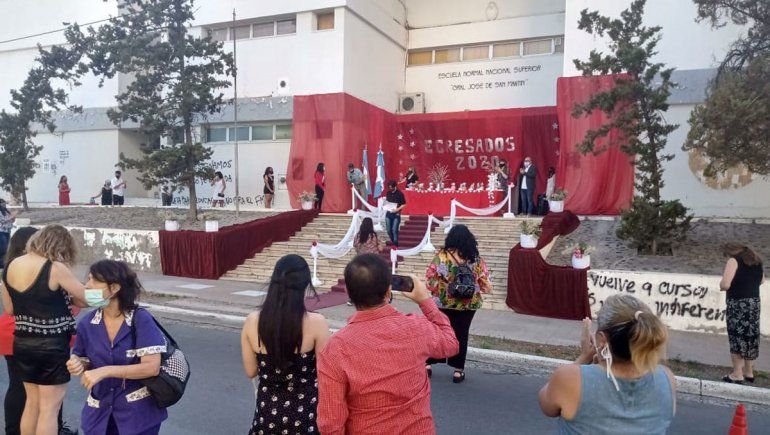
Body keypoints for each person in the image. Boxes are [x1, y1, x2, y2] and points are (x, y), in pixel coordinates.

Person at [317, 254, 459, 435]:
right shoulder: (416, 327)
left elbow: (331, 424)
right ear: (388, 292)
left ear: (350, 294)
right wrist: (425, 300)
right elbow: (451, 343)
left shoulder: (335, 349)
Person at [539, 294, 676, 434]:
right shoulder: (667, 378)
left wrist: (584, 357)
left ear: (602, 339)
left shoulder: (569, 378)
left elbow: (546, 406)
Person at [1, 225, 88, 435]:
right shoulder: (54, 267)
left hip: (22, 342)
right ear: (60, 245)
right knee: (49, 409)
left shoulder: (10, 267)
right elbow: (86, 298)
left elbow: (10, 310)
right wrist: (108, 295)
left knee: (31, 404)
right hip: (51, 346)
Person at [67, 260, 168, 435]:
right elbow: (83, 358)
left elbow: (151, 367)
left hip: (137, 416)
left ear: (114, 288)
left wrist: (105, 371)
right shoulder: (87, 323)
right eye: (88, 279)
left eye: (94, 281)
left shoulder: (140, 320)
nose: (87, 286)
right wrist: (78, 364)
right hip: (99, 414)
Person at [240, 254, 330, 435]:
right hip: (305, 416)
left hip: (267, 416)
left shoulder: (252, 321)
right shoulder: (317, 323)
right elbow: (325, 374)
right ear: (305, 285)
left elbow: (251, 372)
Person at [425, 225, 492, 383]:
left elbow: (430, 279)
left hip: (443, 302)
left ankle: (428, 364)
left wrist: (441, 289)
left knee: (438, 331)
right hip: (468, 304)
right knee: (461, 334)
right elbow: (485, 282)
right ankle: (458, 370)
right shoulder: (475, 258)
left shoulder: (442, 256)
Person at [719, 243, 764, 384]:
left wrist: (721, 285)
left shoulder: (734, 261)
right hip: (754, 303)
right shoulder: (757, 261)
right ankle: (749, 373)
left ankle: (737, 374)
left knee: (737, 337)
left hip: (738, 304)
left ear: (731, 252)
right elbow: (761, 281)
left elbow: (725, 284)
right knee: (750, 336)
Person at [384, 180, 406, 247]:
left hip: (396, 214)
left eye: (392, 187)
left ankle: (395, 245)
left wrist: (397, 210)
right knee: (388, 230)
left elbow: (404, 204)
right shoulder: (388, 193)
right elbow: (387, 202)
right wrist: (384, 205)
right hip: (388, 213)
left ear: (395, 186)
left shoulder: (400, 194)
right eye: (389, 187)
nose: (390, 189)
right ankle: (393, 241)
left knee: (394, 230)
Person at [0, 198, 19, 269]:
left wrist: (14, 217)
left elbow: (11, 221)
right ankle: (1, 264)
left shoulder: (6, 211)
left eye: (4, 203)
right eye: (2, 203)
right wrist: (12, 216)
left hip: (7, 231)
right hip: (1, 232)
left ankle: (4, 263)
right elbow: (3, 221)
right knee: (3, 248)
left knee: (7, 248)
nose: (3, 204)